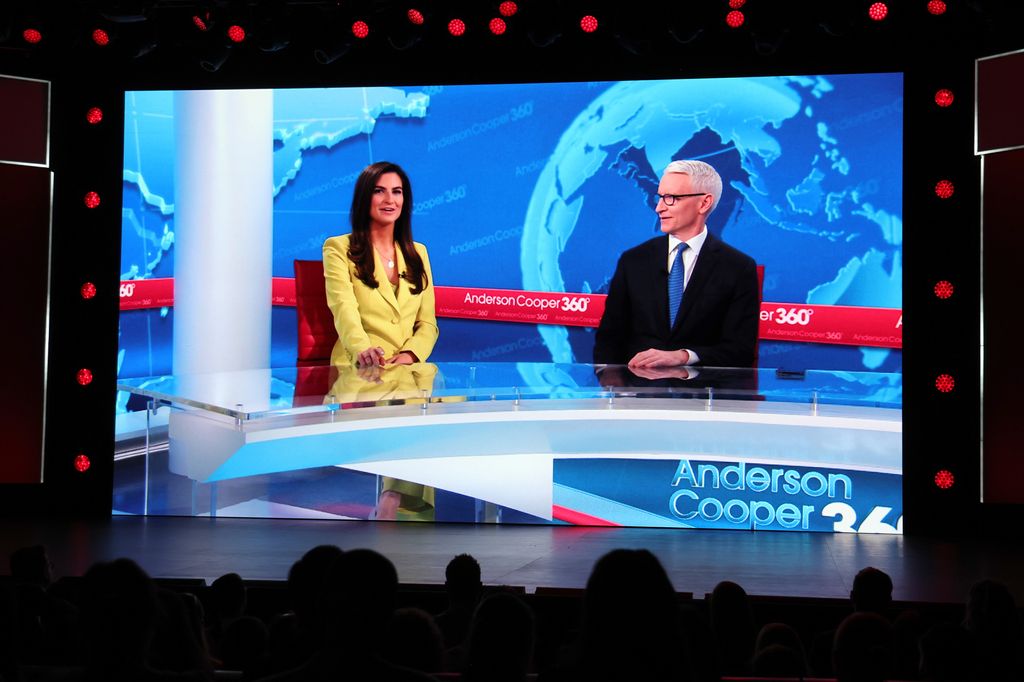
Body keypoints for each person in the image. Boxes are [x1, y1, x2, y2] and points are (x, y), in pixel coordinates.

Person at [323, 160, 439, 521]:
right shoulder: (338, 248)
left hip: (407, 368)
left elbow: (429, 324)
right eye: (380, 190)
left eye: (397, 191)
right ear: (365, 198)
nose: (390, 199)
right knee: (408, 405)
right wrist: (363, 348)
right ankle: (401, 505)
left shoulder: (417, 253)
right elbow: (343, 310)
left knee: (448, 401)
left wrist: (409, 355)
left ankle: (393, 497)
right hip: (361, 368)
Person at [593, 159, 760, 369]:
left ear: (704, 203)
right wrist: (614, 389)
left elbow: (740, 350)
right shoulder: (633, 261)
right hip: (638, 392)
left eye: (671, 198)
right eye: (660, 197)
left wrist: (684, 356)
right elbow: (609, 339)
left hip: (703, 394)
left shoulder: (738, 267)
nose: (659, 207)